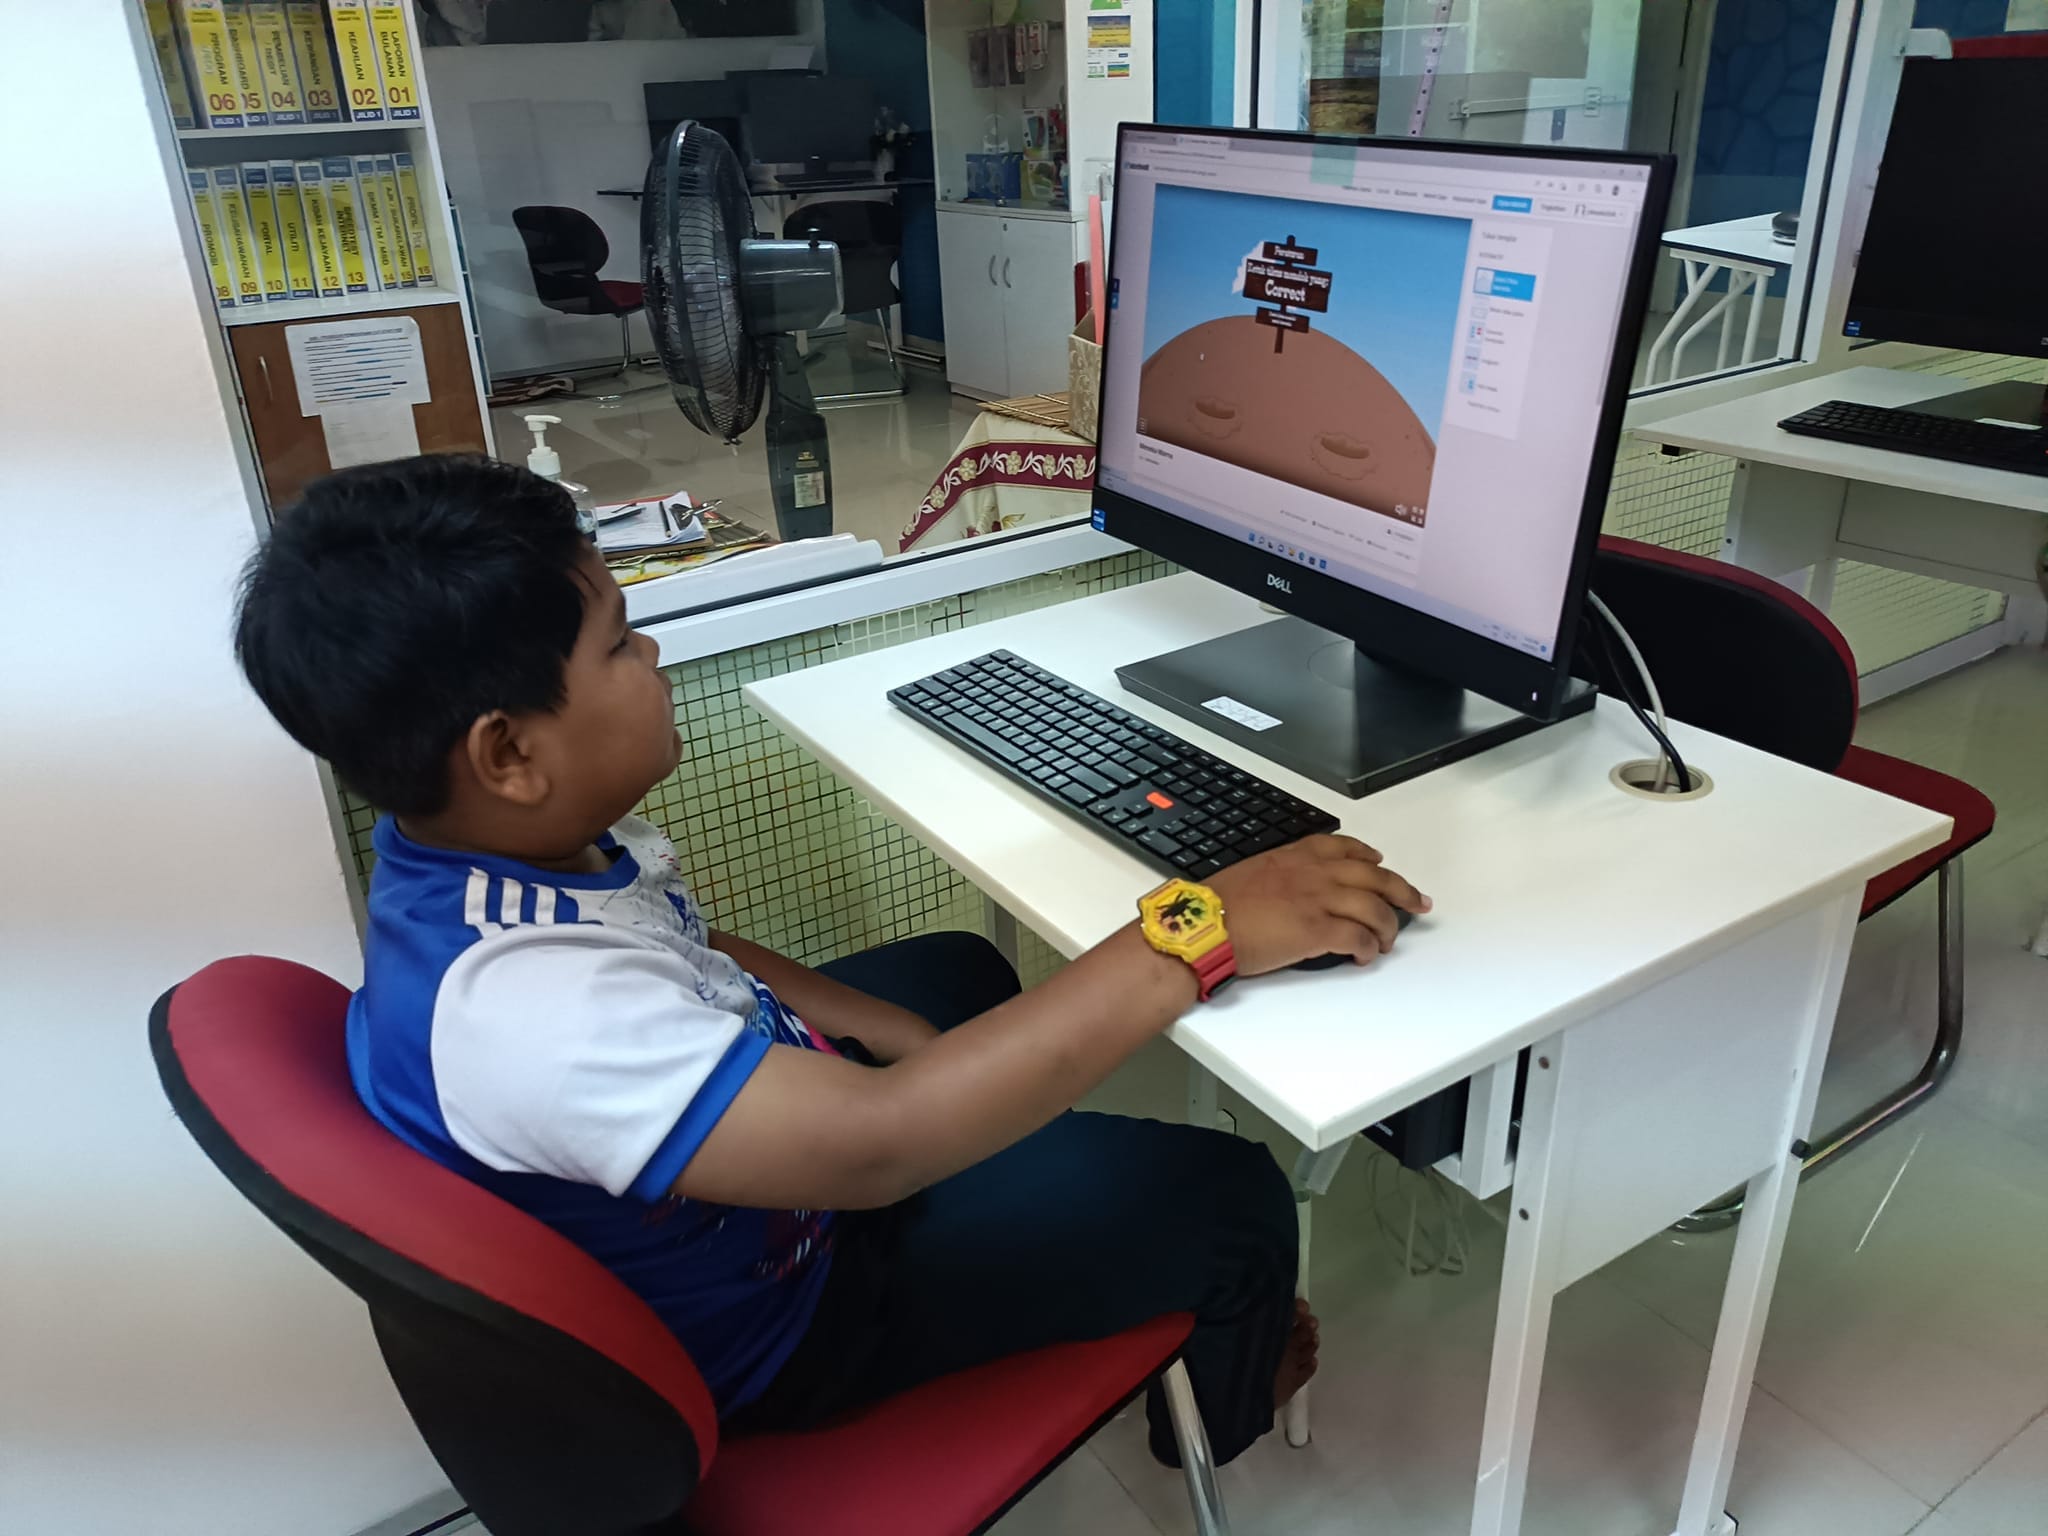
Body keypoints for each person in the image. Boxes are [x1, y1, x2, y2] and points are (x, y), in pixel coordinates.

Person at [232, 455, 1429, 1464]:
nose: (654, 655)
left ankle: (1054, 1206)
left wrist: (904, 1038)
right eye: (621, 643)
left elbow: (684, 943)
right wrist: (1200, 925)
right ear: (508, 754)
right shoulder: (533, 1014)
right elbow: (879, 1147)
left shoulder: (485, 857)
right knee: (1228, 1195)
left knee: (959, 974)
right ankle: (1220, 1408)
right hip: (786, 1326)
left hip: (741, 1190)